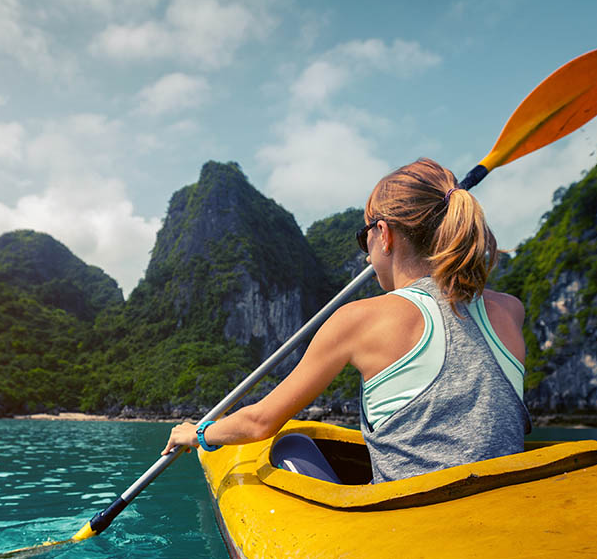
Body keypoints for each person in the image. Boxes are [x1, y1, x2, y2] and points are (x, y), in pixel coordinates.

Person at [162, 157, 531, 483]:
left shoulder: (357, 320)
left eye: (364, 237)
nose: (367, 256)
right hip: (501, 508)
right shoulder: (510, 311)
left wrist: (197, 433)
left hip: (411, 524)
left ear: (384, 235)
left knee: (290, 445)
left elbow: (259, 422)